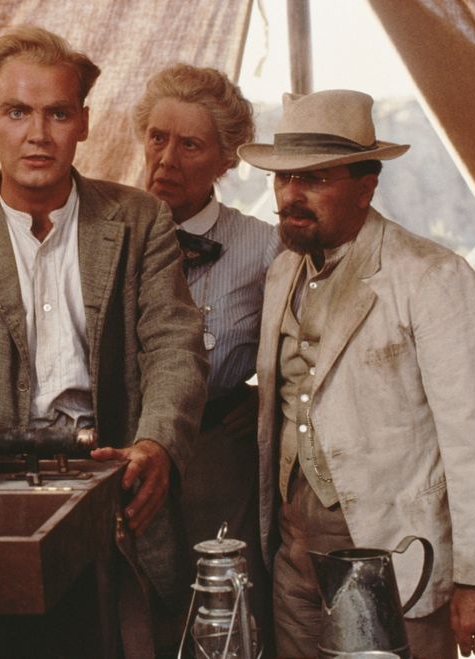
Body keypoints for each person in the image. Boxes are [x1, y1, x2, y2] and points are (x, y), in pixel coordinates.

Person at [0, 26, 208, 650]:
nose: (38, 134)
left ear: (83, 123)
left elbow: (176, 345)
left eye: (57, 113)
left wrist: (157, 445)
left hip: (119, 489)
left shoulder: (140, 219)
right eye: (17, 112)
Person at [240, 89, 475, 658]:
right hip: (294, 553)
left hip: (397, 550)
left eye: (316, 179)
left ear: (366, 186)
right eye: (282, 178)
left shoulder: (431, 277)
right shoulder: (280, 274)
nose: (291, 195)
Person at [133, 63, 280, 651]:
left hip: (216, 461)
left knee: (220, 616)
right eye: (157, 138)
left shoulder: (263, 247)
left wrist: (266, 392)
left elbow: (305, 341)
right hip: (123, 453)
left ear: (227, 159)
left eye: (190, 144)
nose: (167, 158)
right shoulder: (99, 231)